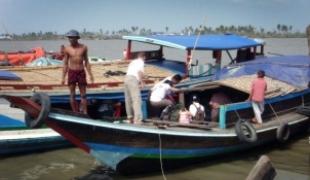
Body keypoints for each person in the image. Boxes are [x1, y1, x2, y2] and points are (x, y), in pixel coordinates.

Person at [61, 29, 94, 114]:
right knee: (72, 94)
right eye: (69, 37)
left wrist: (90, 75)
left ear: (77, 38)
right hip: (72, 72)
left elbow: (86, 61)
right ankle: (75, 112)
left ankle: (85, 112)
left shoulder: (83, 48)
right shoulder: (67, 49)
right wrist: (63, 77)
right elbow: (65, 63)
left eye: (73, 37)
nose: (71, 39)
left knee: (83, 95)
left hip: (81, 72)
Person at [124, 52, 146, 124]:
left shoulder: (133, 61)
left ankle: (130, 118)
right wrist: (142, 82)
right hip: (133, 79)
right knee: (136, 100)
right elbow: (139, 72)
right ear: (143, 57)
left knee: (128, 99)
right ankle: (138, 120)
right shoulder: (141, 62)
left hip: (126, 79)